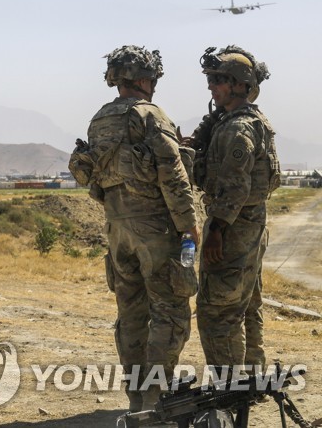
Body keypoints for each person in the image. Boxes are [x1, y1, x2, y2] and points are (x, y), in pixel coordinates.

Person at [68, 46, 199, 414]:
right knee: (170, 310)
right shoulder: (150, 114)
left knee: (131, 315)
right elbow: (173, 176)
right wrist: (189, 226)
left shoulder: (98, 121)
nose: (154, 85)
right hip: (155, 231)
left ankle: (137, 398)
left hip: (117, 231)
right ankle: (156, 401)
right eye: (152, 78)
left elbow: (95, 181)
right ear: (141, 78)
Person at [193, 46, 279, 377]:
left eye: (219, 81)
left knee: (218, 310)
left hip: (232, 230)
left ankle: (229, 392)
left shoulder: (236, 128)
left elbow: (235, 188)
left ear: (240, 85)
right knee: (247, 305)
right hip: (250, 228)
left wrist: (215, 230)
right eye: (211, 80)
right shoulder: (252, 121)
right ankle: (251, 380)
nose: (212, 87)